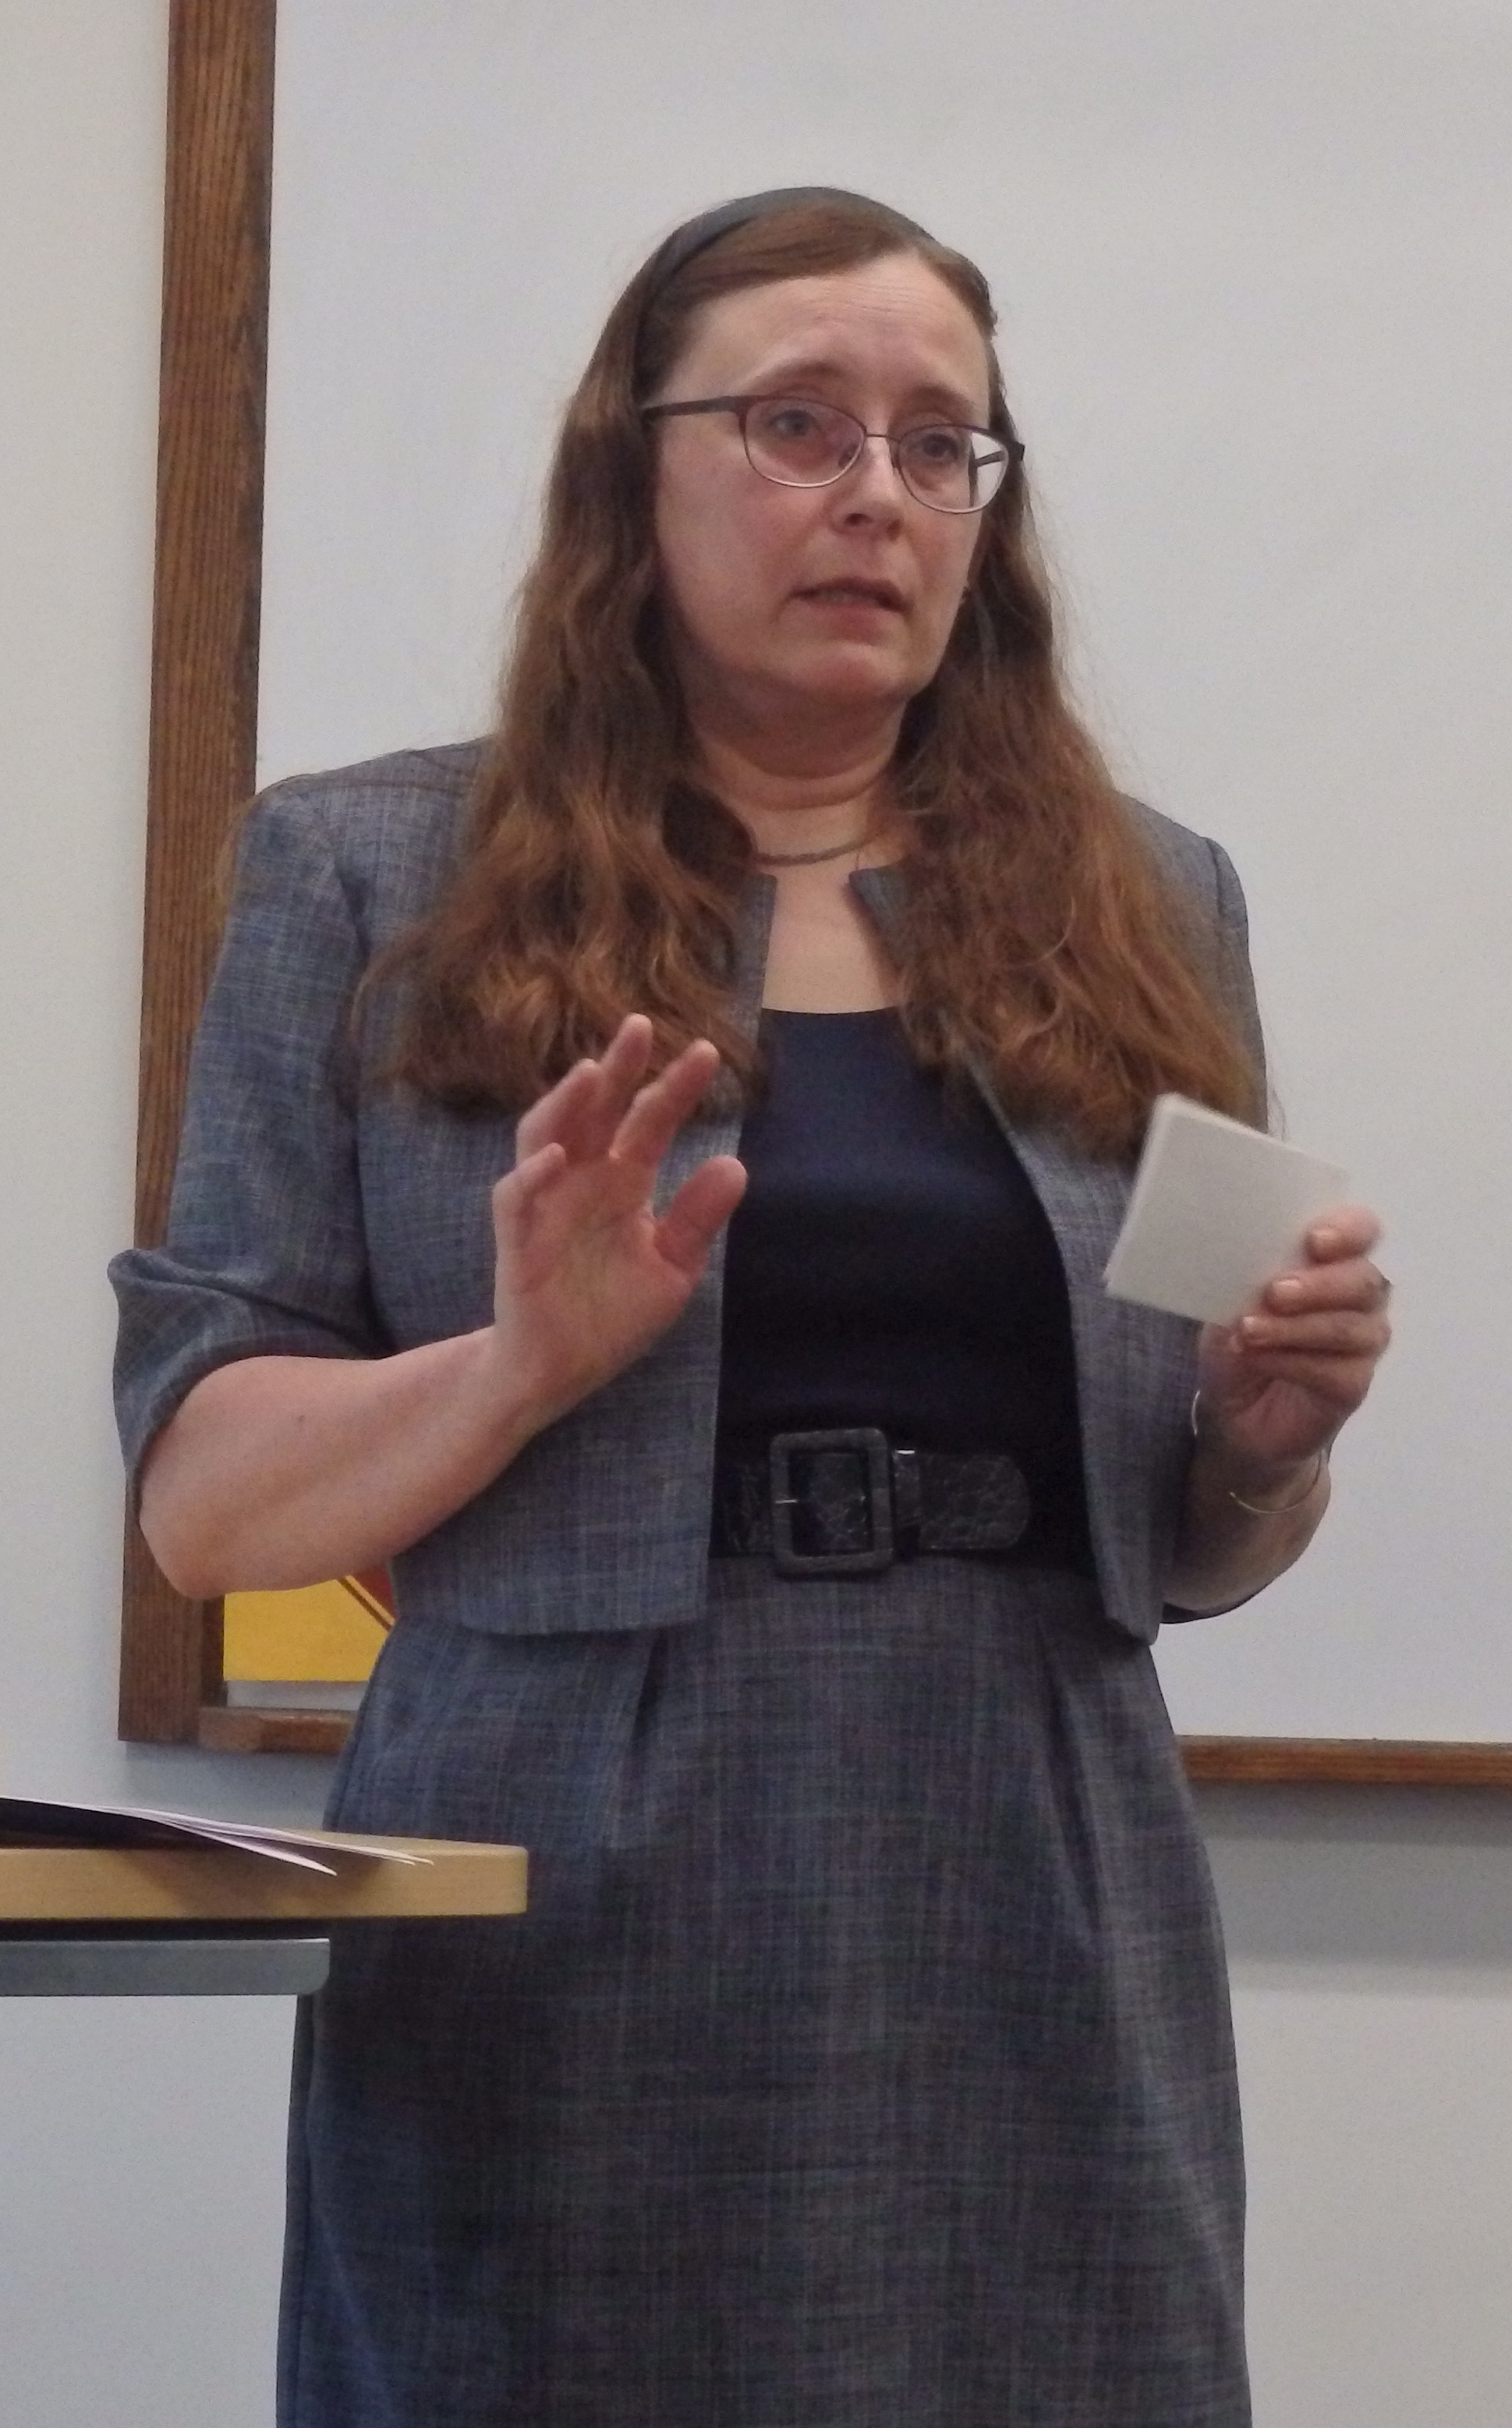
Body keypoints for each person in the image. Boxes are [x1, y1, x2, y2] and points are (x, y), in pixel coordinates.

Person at [112, 188, 1390, 2428]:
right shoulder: (372, 874)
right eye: (798, 423)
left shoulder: (1148, 900)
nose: (876, 491)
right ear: (635, 467)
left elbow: (1188, 1546)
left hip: (1029, 1833)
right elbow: (205, 1505)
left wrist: (1265, 1445)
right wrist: (519, 1366)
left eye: (937, 442)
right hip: (561, 1837)